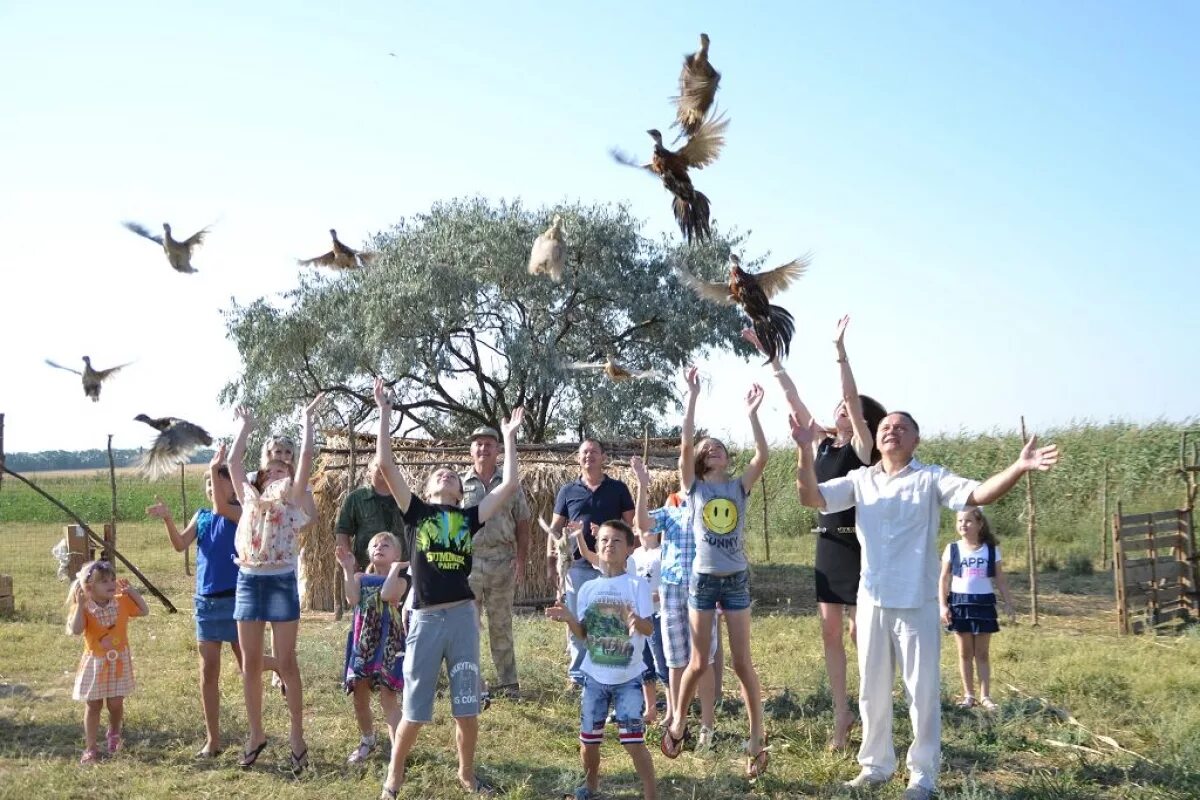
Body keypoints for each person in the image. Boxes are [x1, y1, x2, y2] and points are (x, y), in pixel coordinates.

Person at [792, 410, 1058, 800]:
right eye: (885, 427)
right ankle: (876, 765)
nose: (891, 431)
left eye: (901, 427)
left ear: (916, 440)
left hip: (916, 601)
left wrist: (1019, 466)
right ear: (876, 440)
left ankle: (923, 776)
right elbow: (811, 497)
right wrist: (803, 450)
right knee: (872, 690)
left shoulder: (931, 478)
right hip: (872, 601)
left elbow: (979, 494)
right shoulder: (859, 479)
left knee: (922, 691)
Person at [374, 378, 524, 798]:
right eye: (440, 474)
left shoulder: (469, 517)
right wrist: (385, 413)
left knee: (467, 709)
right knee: (415, 712)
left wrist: (509, 438)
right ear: (426, 491)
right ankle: (394, 775)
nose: (447, 474)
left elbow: (509, 484)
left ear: (460, 493)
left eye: (453, 475)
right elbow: (386, 465)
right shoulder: (416, 512)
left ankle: (466, 774)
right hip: (425, 620)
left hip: (462, 617)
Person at [745, 318, 887, 749]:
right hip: (828, 543)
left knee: (862, 634)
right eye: (840, 406)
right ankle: (842, 716)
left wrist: (839, 350)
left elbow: (849, 394)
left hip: (860, 546)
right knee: (830, 633)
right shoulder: (821, 442)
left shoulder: (864, 449)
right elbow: (792, 397)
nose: (840, 408)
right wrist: (770, 357)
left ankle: (872, 711)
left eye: (848, 407)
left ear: (859, 416)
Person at [661, 367, 770, 781]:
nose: (716, 449)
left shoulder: (739, 487)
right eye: (710, 448)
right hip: (702, 580)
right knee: (698, 660)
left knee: (743, 663)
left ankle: (756, 740)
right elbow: (686, 444)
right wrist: (692, 396)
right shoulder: (694, 489)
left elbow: (763, 456)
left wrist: (753, 414)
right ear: (703, 460)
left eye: (721, 446)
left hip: (737, 579)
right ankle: (678, 721)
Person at [227, 395, 323, 773]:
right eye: (275, 460)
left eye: (286, 461)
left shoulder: (293, 498)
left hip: (281, 581)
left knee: (286, 662)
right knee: (250, 663)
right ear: (265, 466)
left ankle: (297, 736)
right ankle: (256, 734)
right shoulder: (249, 494)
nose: (282, 465)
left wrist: (306, 422)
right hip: (248, 580)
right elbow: (234, 463)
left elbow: (305, 464)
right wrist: (245, 428)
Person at [545, 520, 658, 800]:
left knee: (633, 743)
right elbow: (584, 635)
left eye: (617, 541)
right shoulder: (587, 590)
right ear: (596, 547)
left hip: (628, 680)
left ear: (630, 548)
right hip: (594, 679)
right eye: (604, 540)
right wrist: (570, 618)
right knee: (588, 742)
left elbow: (649, 629)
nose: (609, 545)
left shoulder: (636, 585)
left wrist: (636, 620)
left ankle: (651, 793)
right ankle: (591, 788)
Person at [145, 443, 244, 758]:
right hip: (206, 604)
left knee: (248, 668)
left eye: (217, 480)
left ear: (232, 484)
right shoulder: (201, 517)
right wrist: (168, 519)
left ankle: (257, 730)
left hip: (237, 601)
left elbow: (223, 507)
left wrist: (219, 467)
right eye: (208, 482)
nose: (211, 486)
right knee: (208, 671)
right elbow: (179, 545)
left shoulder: (240, 512)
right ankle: (213, 740)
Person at [634, 461, 722, 749]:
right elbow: (643, 524)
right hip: (672, 589)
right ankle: (679, 722)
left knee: (705, 659)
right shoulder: (672, 509)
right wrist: (643, 485)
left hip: (703, 588)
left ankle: (707, 728)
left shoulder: (712, 506)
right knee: (675, 660)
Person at [548, 439, 635, 688]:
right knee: (575, 618)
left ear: (603, 457)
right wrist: (551, 560)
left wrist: (607, 534)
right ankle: (577, 675)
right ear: (578, 458)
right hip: (576, 567)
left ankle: (607, 671)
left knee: (608, 619)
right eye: (584, 452)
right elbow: (554, 529)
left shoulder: (618, 489)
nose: (589, 456)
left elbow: (632, 528)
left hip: (608, 567)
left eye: (594, 452)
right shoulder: (567, 491)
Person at [462, 424, 533, 700]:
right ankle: (470, 680)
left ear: (497, 450)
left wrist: (521, 558)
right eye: (478, 444)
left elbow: (524, 522)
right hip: (469, 562)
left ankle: (508, 684)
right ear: (471, 450)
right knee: (467, 625)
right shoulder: (460, 482)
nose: (483, 448)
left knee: (501, 623)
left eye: (489, 444)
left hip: (502, 561)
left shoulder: (509, 485)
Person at [335, 531, 410, 764]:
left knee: (388, 698)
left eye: (386, 544)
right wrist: (347, 569)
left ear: (397, 554)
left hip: (389, 643)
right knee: (360, 695)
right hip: (364, 643)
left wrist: (397, 567)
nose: (380, 547)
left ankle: (399, 751)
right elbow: (352, 599)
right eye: (375, 545)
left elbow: (388, 594)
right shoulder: (359, 577)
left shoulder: (401, 580)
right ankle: (368, 739)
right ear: (369, 553)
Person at [66, 559, 149, 765]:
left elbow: (145, 610)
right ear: (89, 587)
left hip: (118, 663)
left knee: (115, 703)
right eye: (104, 581)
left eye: (112, 579)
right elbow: (76, 630)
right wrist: (80, 606)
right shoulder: (84, 608)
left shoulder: (121, 601)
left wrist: (132, 592)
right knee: (93, 705)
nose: (111, 583)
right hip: (95, 663)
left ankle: (114, 733)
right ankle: (91, 747)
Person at [940, 507, 1014, 711]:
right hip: (959, 604)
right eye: (960, 521)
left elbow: (999, 578)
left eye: (968, 521)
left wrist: (1008, 601)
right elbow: (944, 578)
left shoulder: (991, 550)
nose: (963, 524)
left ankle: (985, 696)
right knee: (964, 653)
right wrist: (943, 605)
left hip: (984, 604)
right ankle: (969, 696)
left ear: (980, 524)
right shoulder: (952, 548)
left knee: (982, 653)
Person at [336, 456, 411, 571]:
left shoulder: (406, 498)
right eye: (378, 465)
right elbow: (342, 533)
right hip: (367, 571)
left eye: (388, 466)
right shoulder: (356, 498)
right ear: (369, 472)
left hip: (401, 572)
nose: (383, 469)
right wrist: (352, 565)